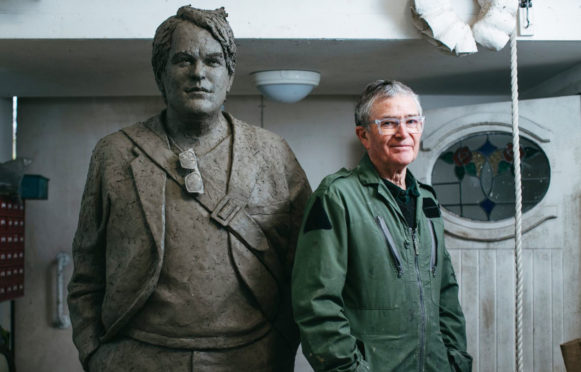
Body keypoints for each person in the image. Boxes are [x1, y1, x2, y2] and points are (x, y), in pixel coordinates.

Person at [67, 6, 310, 371]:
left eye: (213, 61)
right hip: (138, 357)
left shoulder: (272, 154)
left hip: (250, 357)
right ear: (160, 74)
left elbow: (307, 267)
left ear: (229, 76)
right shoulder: (115, 153)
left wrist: (283, 345)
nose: (199, 73)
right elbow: (87, 272)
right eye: (183, 60)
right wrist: (94, 353)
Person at [292, 80, 472, 371]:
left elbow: (446, 293)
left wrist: (456, 360)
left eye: (412, 121)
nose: (404, 133)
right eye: (389, 123)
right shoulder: (337, 196)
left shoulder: (427, 201)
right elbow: (316, 302)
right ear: (364, 135)